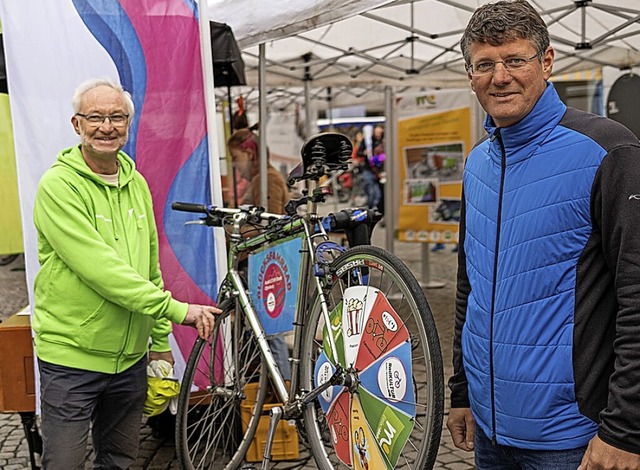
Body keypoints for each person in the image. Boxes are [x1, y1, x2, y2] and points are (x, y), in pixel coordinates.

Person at [447, 1, 640, 469]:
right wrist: (461, 391)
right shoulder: (477, 163)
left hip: (574, 439)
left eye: (515, 60)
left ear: (547, 61)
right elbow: (469, 287)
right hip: (491, 435)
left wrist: (627, 429)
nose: (500, 76)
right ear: (470, 74)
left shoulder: (607, 151)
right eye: (485, 64)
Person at [33, 78, 219, 470]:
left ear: (128, 125)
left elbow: (149, 268)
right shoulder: (58, 186)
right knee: (63, 463)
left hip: (130, 359)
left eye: (117, 117)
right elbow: (102, 270)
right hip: (73, 357)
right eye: (95, 117)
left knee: (118, 461)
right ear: (76, 124)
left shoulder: (136, 184)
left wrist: (159, 342)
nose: (107, 126)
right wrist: (177, 311)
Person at [227, 128, 292, 381]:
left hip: (265, 266)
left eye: (236, 159)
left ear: (248, 153)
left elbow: (270, 226)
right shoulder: (261, 179)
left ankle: (284, 389)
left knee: (270, 335)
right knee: (265, 334)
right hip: (262, 265)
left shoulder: (267, 179)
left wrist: (236, 235)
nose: (236, 167)